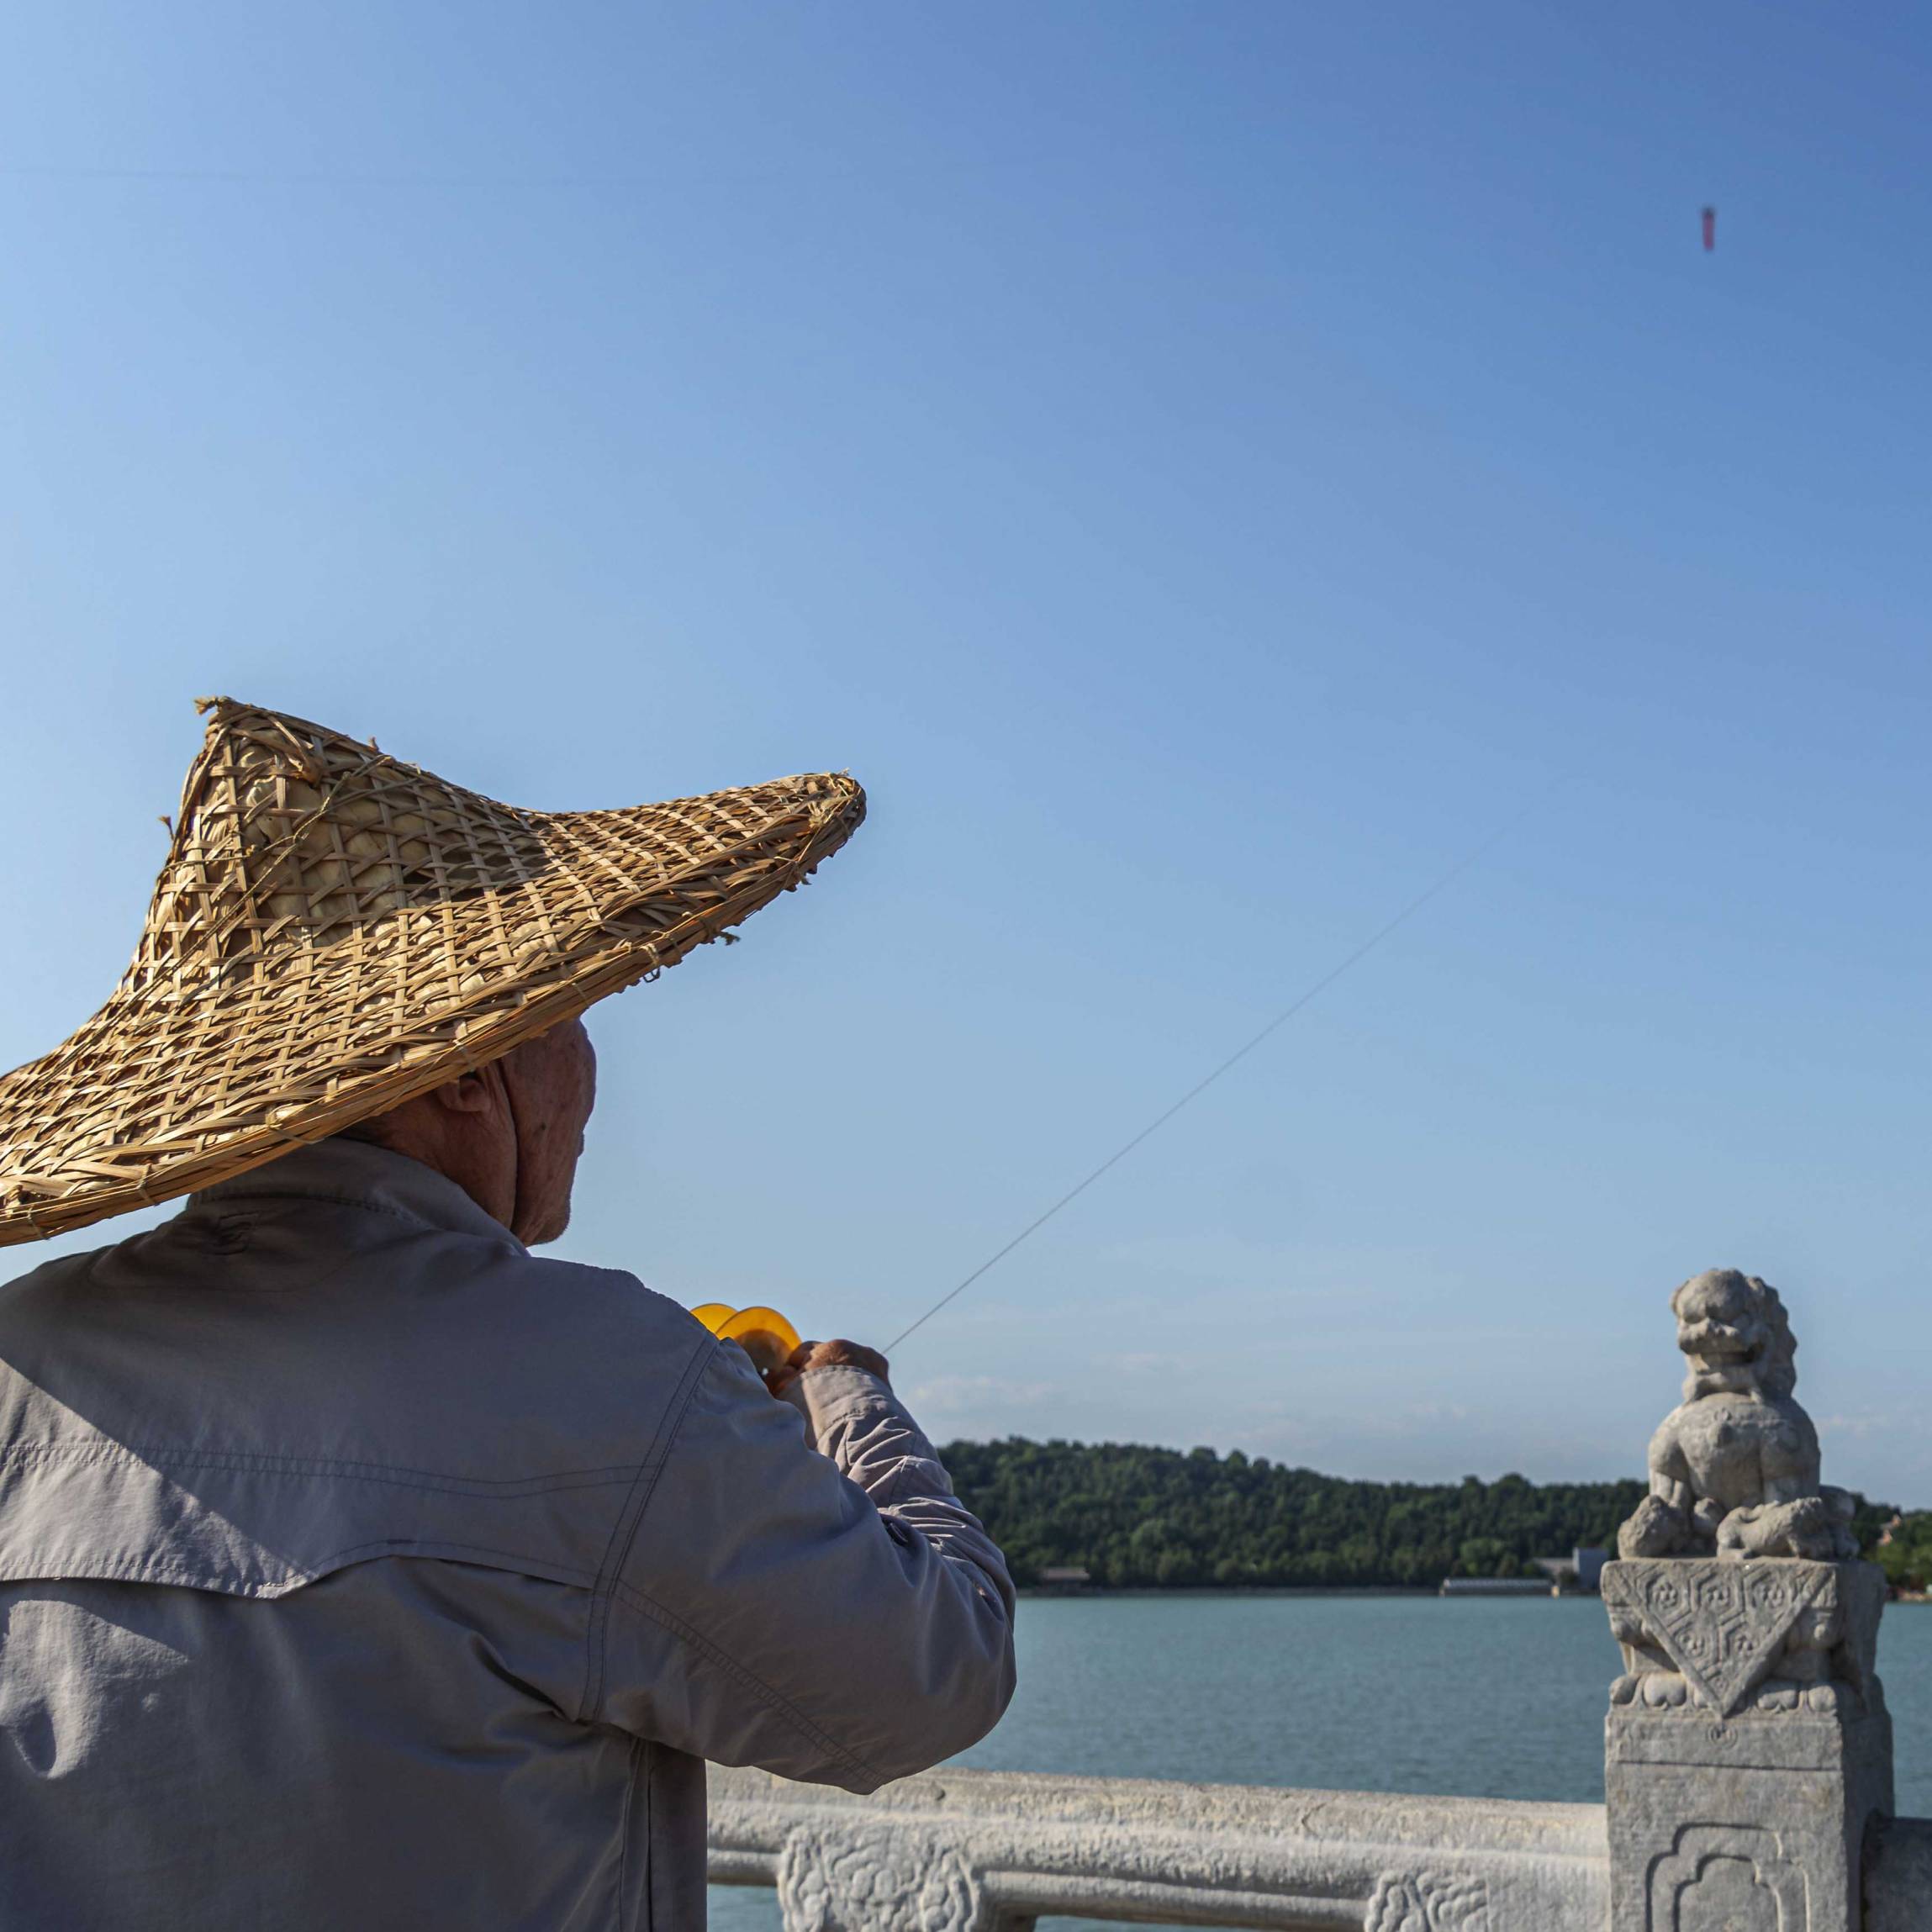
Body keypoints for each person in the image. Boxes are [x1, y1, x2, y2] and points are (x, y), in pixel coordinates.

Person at [0, 699, 1016, 1930]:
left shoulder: (20, 1360)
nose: (591, 1072)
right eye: (569, 1011)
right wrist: (845, 1390)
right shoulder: (603, 1377)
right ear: (471, 1070)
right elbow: (932, 1671)